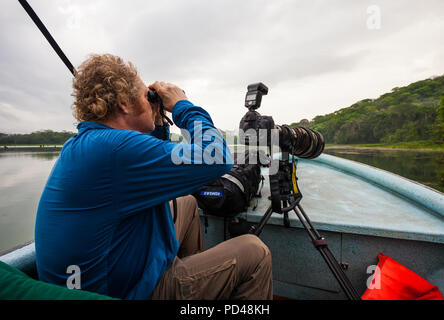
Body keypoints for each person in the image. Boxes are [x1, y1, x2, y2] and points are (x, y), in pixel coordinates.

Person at [35, 54, 272, 300]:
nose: (151, 102)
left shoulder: (92, 143)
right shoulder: (115, 149)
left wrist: (157, 119)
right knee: (254, 253)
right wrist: (182, 105)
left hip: (113, 273)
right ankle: (189, 284)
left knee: (187, 203)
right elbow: (216, 158)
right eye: (145, 96)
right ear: (123, 103)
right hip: (122, 293)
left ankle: (193, 283)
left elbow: (161, 170)